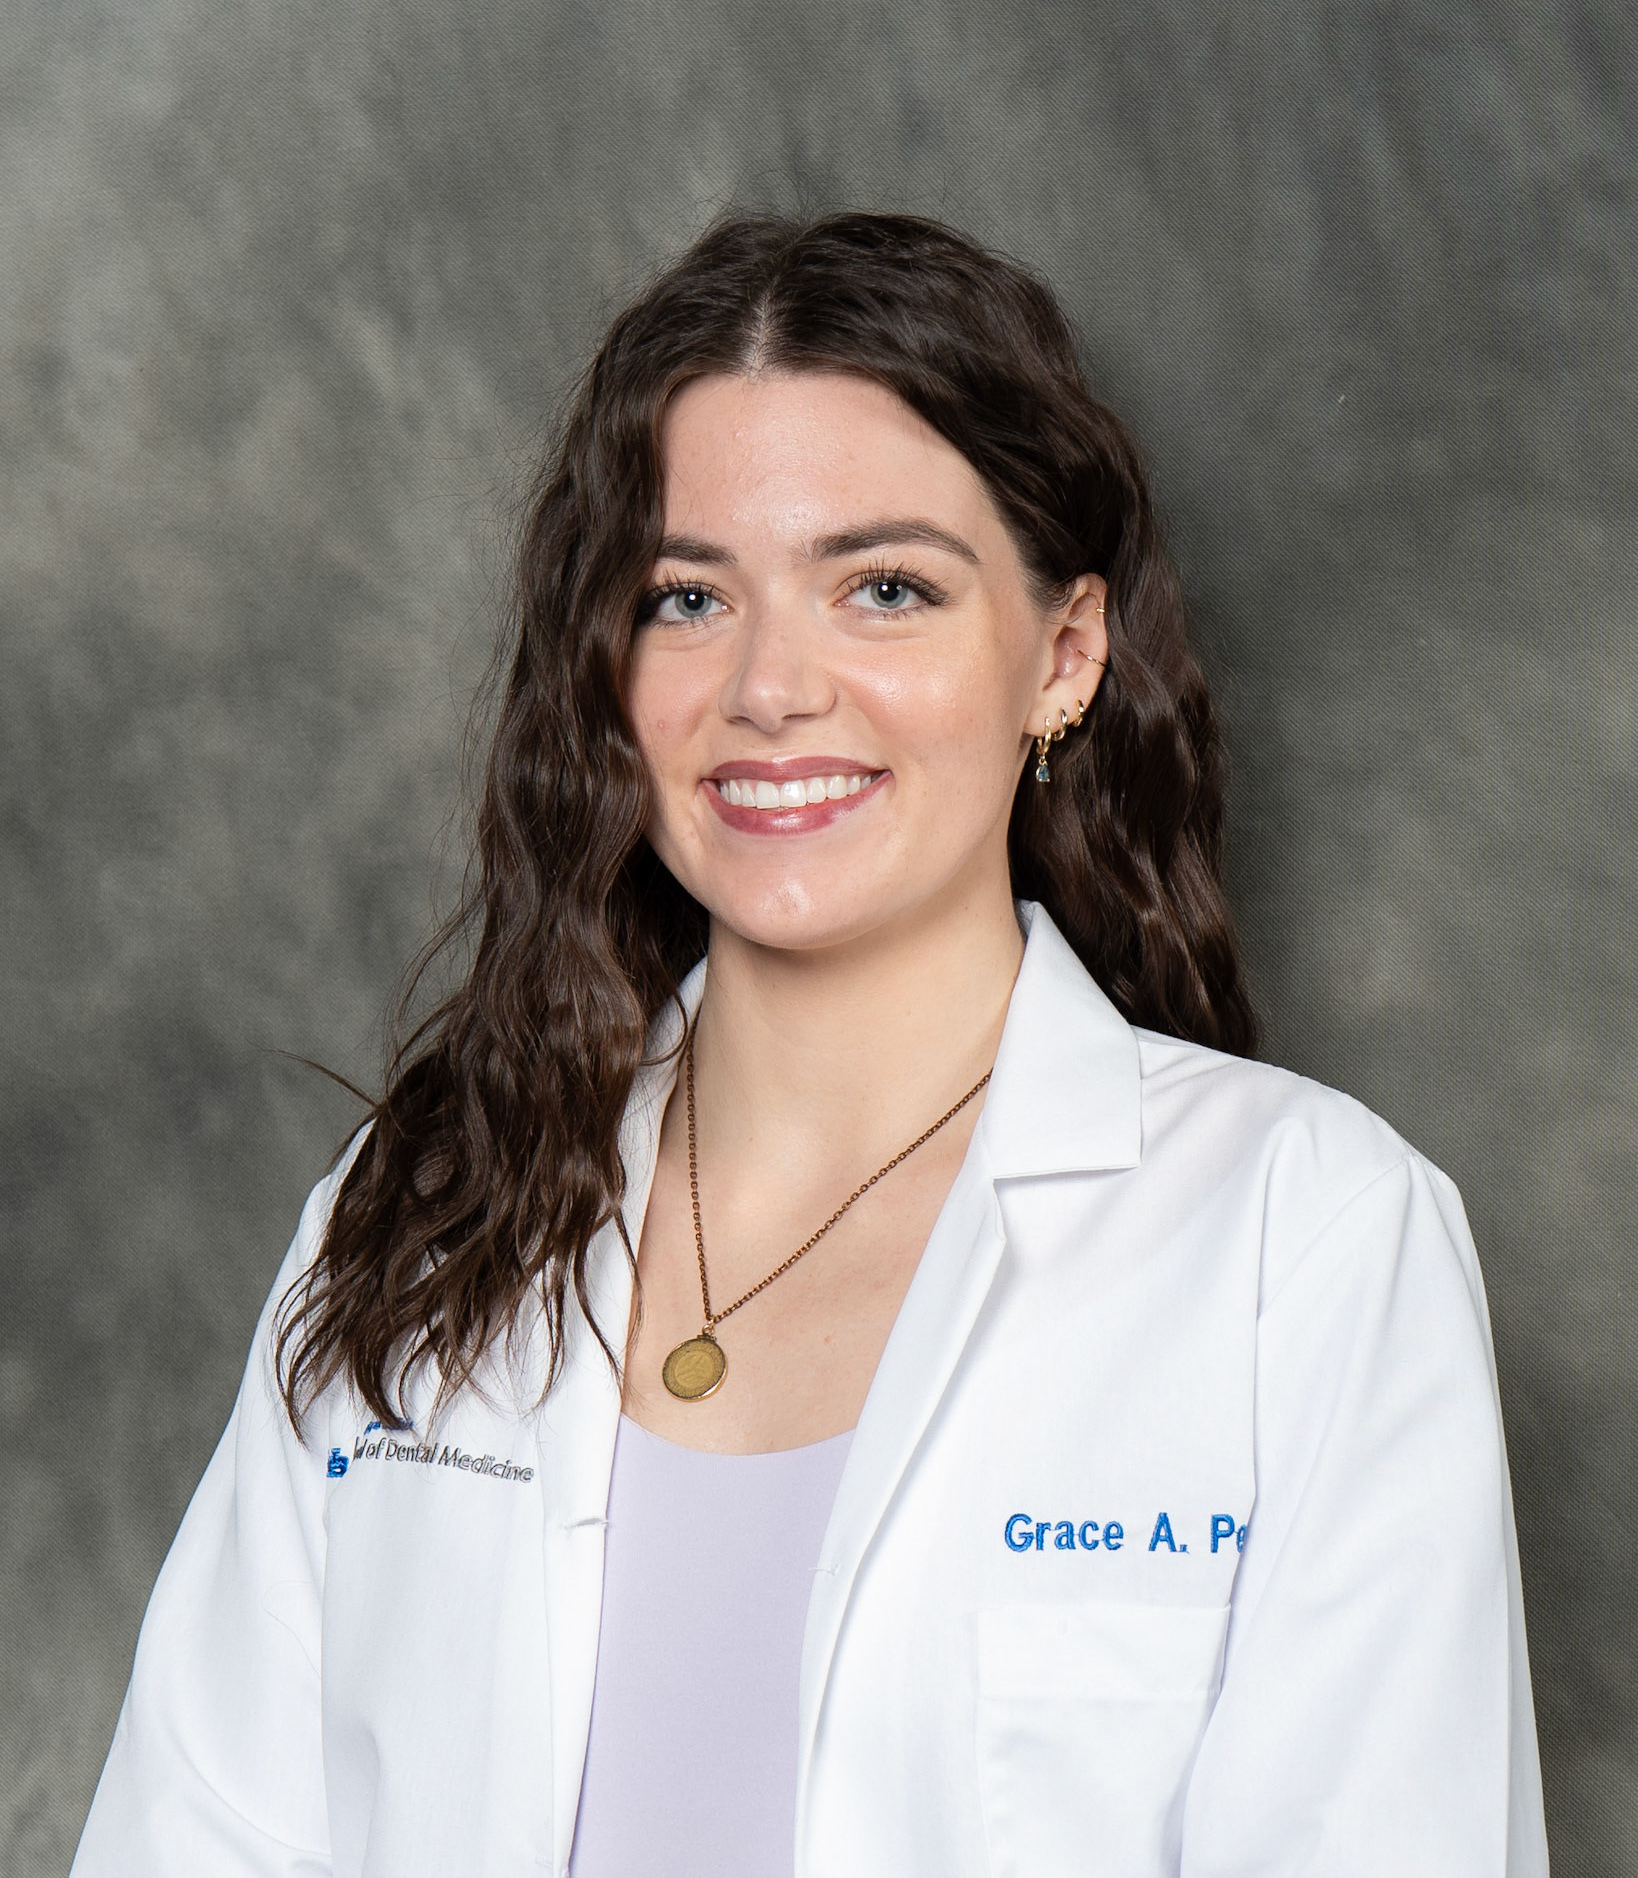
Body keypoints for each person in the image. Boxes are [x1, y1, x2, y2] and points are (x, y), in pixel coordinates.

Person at [72, 212, 1550, 1878]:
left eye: (885, 589)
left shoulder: (1307, 1241)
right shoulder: (416, 1213)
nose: (769, 687)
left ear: (1063, 658)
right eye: (685, 598)